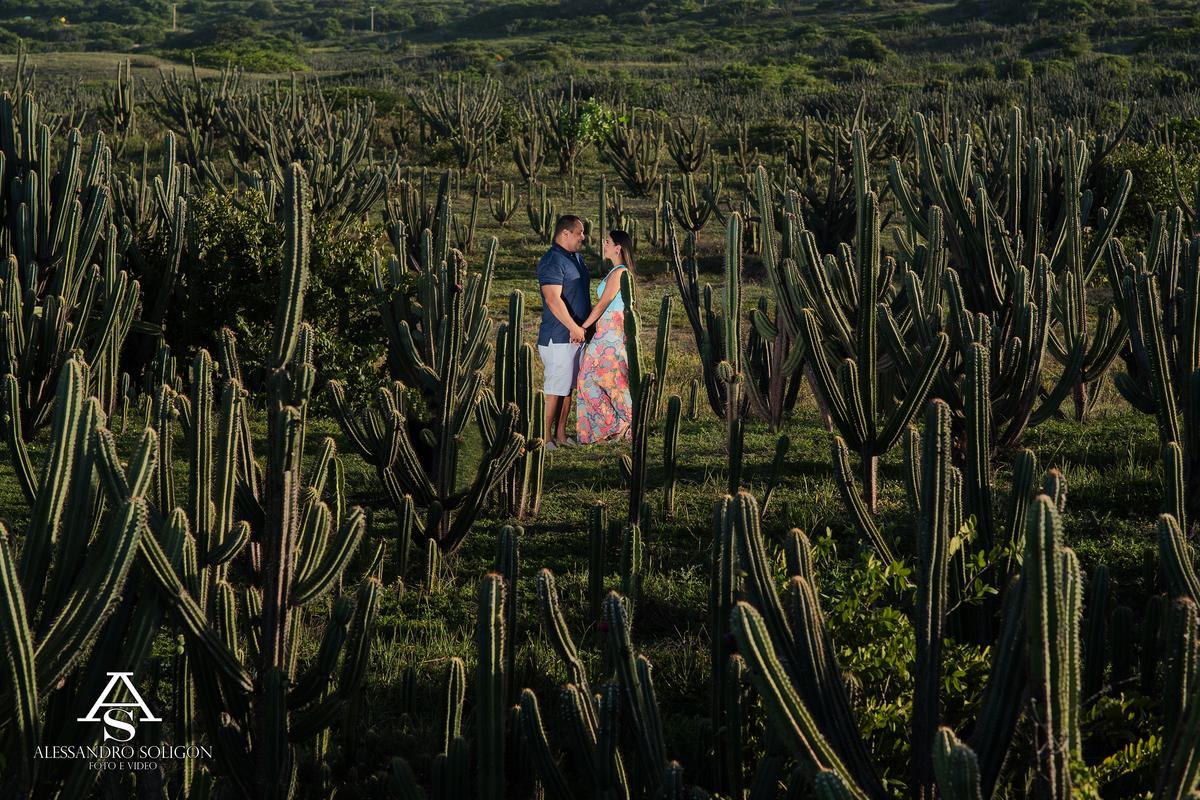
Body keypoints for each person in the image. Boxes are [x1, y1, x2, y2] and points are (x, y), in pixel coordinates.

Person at [575, 231, 636, 444]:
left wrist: (582, 327)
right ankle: (617, 427)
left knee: (588, 378)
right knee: (611, 380)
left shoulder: (619, 272)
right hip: (607, 329)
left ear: (618, 247)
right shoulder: (615, 271)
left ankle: (614, 426)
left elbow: (603, 304)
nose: (604, 245)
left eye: (608, 242)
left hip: (611, 330)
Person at [537, 215, 590, 450]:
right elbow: (552, 299)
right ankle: (544, 438)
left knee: (567, 388)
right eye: (579, 232)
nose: (583, 237)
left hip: (575, 336)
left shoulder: (576, 258)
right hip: (558, 336)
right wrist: (573, 327)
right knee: (555, 389)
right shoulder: (552, 261)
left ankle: (560, 435)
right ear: (565, 233)